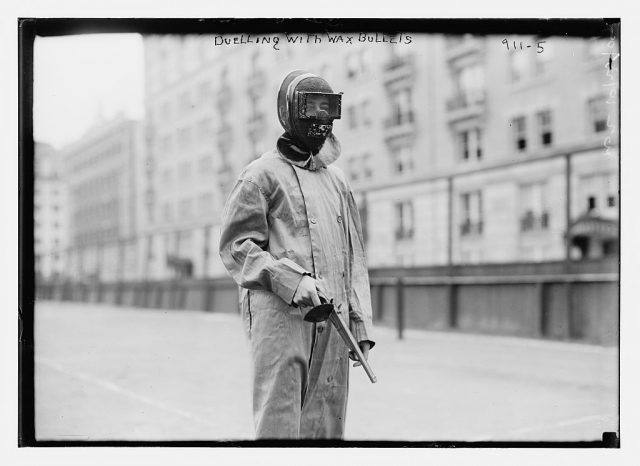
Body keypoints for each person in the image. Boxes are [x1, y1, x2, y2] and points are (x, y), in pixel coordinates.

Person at [219, 70, 375, 439]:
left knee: (327, 425)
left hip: (334, 324)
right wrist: (291, 280)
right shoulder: (260, 176)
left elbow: (354, 259)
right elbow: (236, 248)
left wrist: (360, 326)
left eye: (328, 108)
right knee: (281, 426)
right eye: (311, 108)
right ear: (290, 112)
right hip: (282, 322)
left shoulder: (338, 182)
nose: (321, 119)